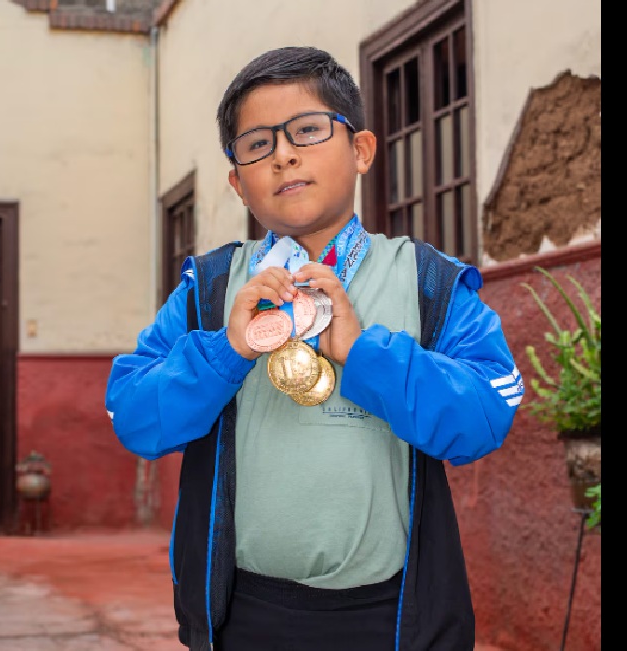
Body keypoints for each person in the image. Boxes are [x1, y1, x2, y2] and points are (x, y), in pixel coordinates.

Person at [105, 45, 524, 651]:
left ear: (361, 150)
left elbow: (484, 419)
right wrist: (227, 351)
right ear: (237, 182)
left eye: (307, 130)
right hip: (241, 613)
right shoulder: (212, 288)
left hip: (390, 617)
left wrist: (364, 352)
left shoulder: (426, 280)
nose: (283, 155)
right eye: (257, 144)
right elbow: (134, 417)